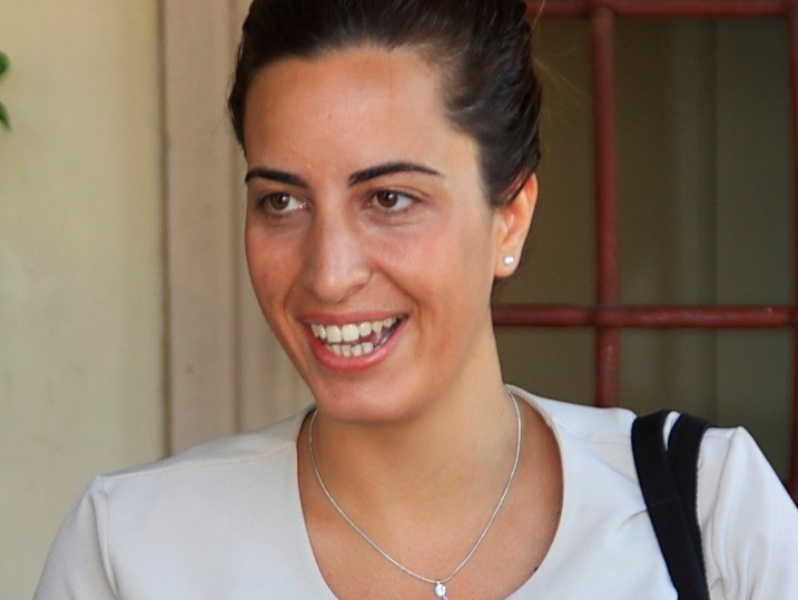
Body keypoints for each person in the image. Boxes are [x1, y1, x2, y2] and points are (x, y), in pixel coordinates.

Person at [34, 0, 798, 598]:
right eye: (281, 201)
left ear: (510, 217)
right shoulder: (131, 552)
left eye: (390, 198)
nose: (329, 274)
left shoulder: (709, 517)